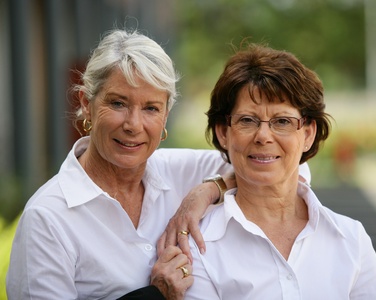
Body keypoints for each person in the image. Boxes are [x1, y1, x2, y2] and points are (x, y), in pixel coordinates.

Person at [5, 28, 236, 300]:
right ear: (87, 104)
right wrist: (156, 294)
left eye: (151, 108)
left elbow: (284, 172)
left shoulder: (180, 171)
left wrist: (207, 191)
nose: (133, 125)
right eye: (118, 103)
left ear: (165, 116)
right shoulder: (47, 218)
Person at [184, 43, 376, 299]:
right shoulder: (196, 246)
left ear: (307, 134)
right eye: (247, 120)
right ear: (223, 133)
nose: (263, 136)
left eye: (282, 121)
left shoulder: (351, 238)